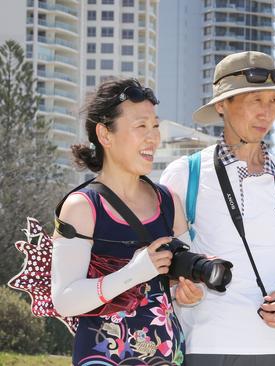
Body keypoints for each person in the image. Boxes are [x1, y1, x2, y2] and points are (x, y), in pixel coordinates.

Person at [160, 51, 275, 365]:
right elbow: (167, 263)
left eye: (273, 101)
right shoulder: (185, 174)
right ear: (222, 105)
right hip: (210, 345)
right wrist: (179, 288)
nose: (266, 113)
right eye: (255, 100)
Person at [51, 78, 203, 365]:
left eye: (155, 126)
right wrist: (133, 272)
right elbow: (64, 299)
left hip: (166, 356)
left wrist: (188, 292)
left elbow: (177, 288)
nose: (153, 137)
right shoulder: (82, 207)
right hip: (103, 356)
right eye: (141, 126)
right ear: (105, 135)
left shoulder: (170, 203)